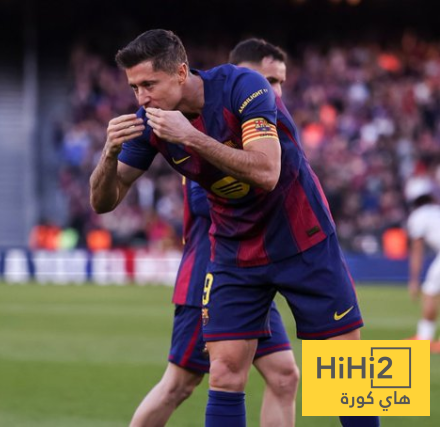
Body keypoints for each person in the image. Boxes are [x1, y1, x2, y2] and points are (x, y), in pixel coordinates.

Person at [90, 29, 379, 426]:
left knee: (347, 372)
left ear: (180, 72)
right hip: (234, 248)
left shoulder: (244, 86)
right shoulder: (151, 123)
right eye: (135, 88)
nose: (142, 98)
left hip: (301, 237)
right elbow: (104, 202)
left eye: (149, 85)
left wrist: (191, 137)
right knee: (224, 373)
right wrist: (108, 155)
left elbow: (267, 172)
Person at [130, 39, 298, 427]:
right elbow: (220, 202)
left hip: (255, 271)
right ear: (242, 79)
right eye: (268, 80)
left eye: (280, 82)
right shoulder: (212, 135)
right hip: (213, 271)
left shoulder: (264, 131)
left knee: (284, 376)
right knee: (180, 384)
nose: (275, 91)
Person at [404, 177, 440, 353]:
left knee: (429, 292)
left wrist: (414, 280)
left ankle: (424, 338)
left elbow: (417, 251)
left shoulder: (418, 216)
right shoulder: (436, 210)